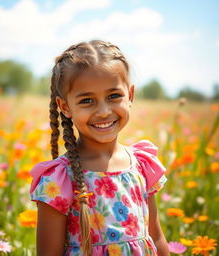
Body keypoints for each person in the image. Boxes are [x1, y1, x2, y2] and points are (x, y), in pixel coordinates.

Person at [29, 40, 170, 256]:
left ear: (130, 96)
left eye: (114, 96)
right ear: (65, 107)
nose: (103, 111)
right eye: (87, 100)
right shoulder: (58, 179)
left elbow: (157, 238)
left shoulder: (142, 165)